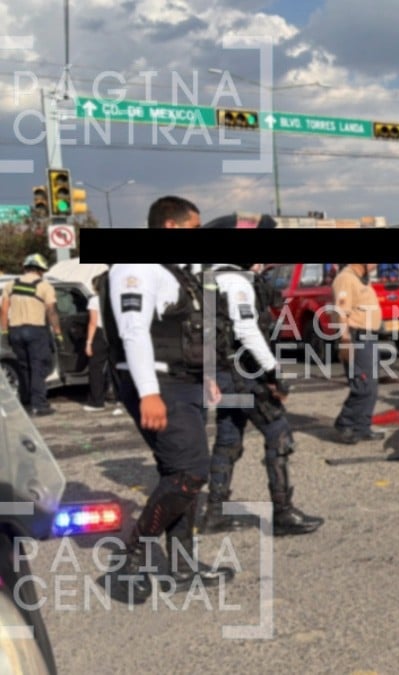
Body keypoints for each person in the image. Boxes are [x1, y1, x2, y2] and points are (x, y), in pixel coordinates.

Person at [101, 196, 233, 604]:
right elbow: (135, 332)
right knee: (190, 473)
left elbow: (187, 331)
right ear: (173, 227)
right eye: (195, 228)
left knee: (180, 474)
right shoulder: (136, 266)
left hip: (181, 381)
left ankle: (181, 567)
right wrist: (150, 394)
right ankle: (129, 562)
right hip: (158, 384)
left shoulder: (172, 270)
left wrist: (206, 377)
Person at [201, 217, 323, 536]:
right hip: (244, 373)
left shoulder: (211, 277)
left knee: (228, 439)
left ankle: (214, 511)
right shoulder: (236, 282)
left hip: (223, 374)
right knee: (278, 432)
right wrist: (273, 371)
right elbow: (245, 330)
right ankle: (282, 513)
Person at [0, 253, 63, 415]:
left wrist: (5, 331)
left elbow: (4, 310)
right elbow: (52, 312)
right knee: (38, 368)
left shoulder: (10, 285)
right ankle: (39, 405)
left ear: (25, 268)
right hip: (36, 331)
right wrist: (58, 333)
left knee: (24, 367)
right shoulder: (45, 286)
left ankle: (27, 402)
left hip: (15, 331)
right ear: (41, 270)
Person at [331, 263, 385, 444]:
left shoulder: (360, 279)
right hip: (357, 338)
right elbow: (341, 313)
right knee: (362, 385)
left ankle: (362, 427)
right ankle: (344, 423)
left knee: (372, 385)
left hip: (369, 337)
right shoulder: (346, 279)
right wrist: (345, 341)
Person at [83, 276, 120, 413]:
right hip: (115, 334)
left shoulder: (94, 300)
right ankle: (119, 399)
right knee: (115, 368)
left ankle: (96, 402)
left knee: (96, 369)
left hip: (100, 334)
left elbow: (93, 322)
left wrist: (88, 342)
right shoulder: (114, 298)